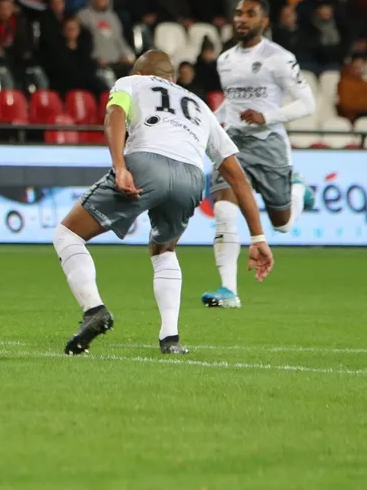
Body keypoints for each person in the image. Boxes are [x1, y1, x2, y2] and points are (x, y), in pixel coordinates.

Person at [54, 51, 274, 356]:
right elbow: (237, 176)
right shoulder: (200, 106)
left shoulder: (132, 82)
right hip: (191, 177)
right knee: (164, 249)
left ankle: (94, 310)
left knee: (67, 234)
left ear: (143, 72)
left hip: (147, 163)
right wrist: (258, 237)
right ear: (171, 77)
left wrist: (120, 166)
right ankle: (170, 338)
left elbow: (114, 115)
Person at [202, 0, 316, 309]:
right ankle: (228, 291)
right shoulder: (225, 60)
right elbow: (232, 104)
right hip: (234, 144)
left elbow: (308, 103)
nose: (241, 19)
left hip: (269, 143)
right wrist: (209, 123)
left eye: (250, 14)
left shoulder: (279, 57)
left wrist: (267, 117)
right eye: (238, 13)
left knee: (282, 224)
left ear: (263, 22)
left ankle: (298, 192)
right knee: (224, 209)